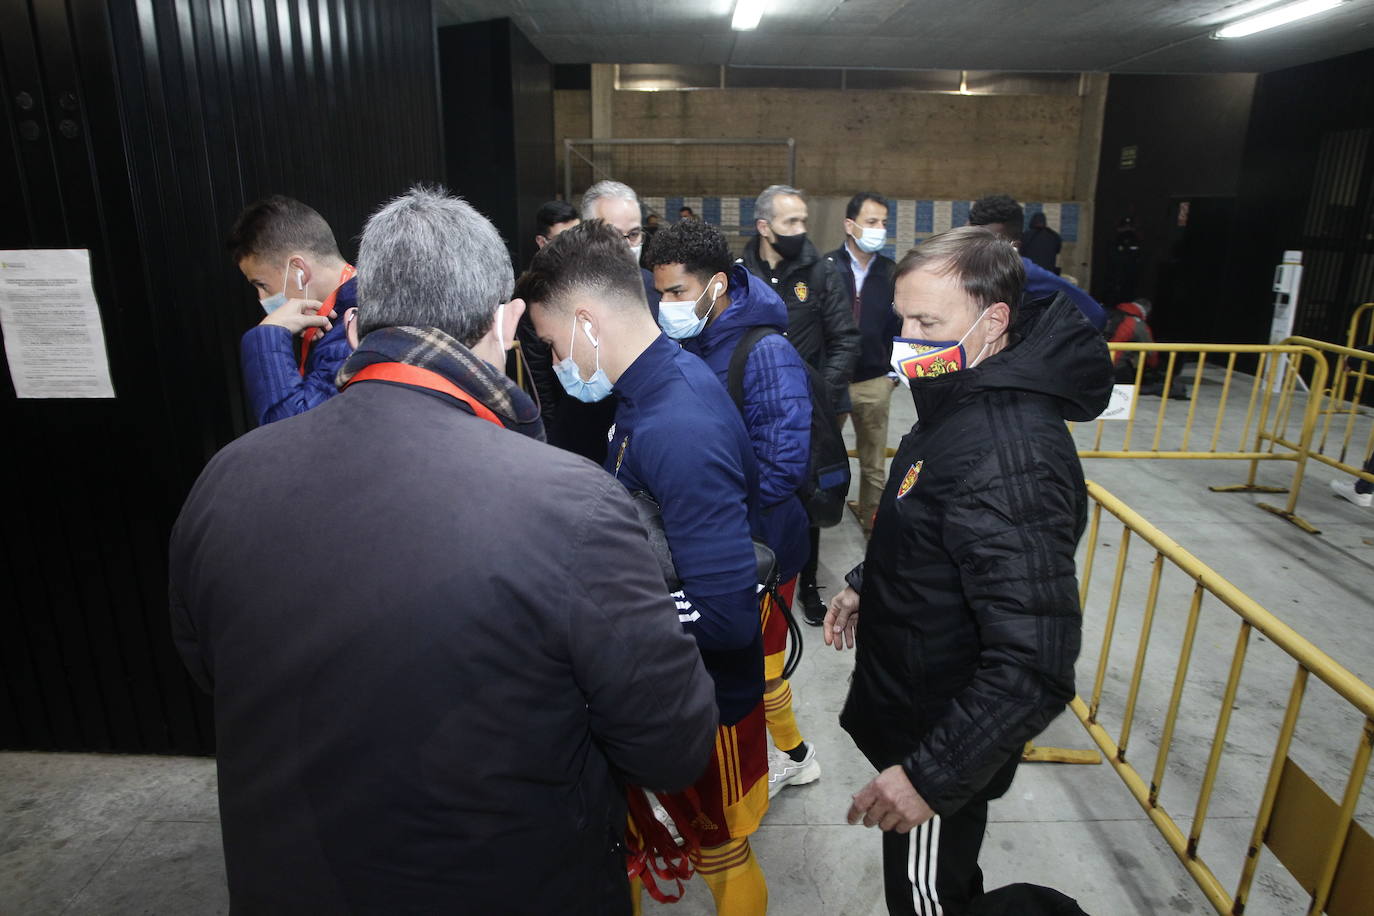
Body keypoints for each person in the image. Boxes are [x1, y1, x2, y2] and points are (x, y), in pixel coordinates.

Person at [170, 187, 718, 914]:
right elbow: (670, 744)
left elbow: (210, 665)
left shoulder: (226, 480)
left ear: (358, 324)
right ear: (509, 320)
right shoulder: (570, 504)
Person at [824, 227, 1112, 916]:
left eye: (928, 322)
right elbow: (935, 522)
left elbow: (1034, 661)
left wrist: (929, 777)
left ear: (995, 321)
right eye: (903, 320)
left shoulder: (1010, 453)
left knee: (929, 903)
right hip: (919, 700)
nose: (908, 338)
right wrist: (874, 581)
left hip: (939, 730)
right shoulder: (958, 396)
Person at [520, 221, 770, 915]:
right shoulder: (649, 392)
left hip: (702, 699)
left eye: (550, 342)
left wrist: (608, 614)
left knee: (720, 854)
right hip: (656, 683)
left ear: (586, 321)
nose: (554, 358)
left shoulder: (677, 425)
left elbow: (723, 613)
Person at [645, 219, 822, 798]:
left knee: (759, 670)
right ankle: (792, 752)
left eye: (676, 292)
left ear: (716, 285)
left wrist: (706, 515)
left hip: (762, 549)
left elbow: (782, 466)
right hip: (725, 547)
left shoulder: (765, 352)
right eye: (660, 292)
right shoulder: (692, 339)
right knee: (751, 670)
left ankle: (776, 766)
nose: (665, 304)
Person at [741, 183, 860, 625]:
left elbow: (845, 339)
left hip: (807, 414)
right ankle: (754, 574)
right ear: (763, 227)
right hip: (752, 410)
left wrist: (818, 394)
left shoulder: (821, 271)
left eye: (803, 221)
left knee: (806, 498)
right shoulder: (739, 274)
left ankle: (805, 583)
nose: (801, 230)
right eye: (791, 222)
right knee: (756, 491)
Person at [227, 195, 358, 426]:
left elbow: (293, 431)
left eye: (262, 285)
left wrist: (268, 334)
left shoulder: (353, 329)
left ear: (299, 270)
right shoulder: (344, 312)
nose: (261, 298)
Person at [827, 192, 901, 538]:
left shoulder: (891, 273)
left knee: (874, 466)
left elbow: (903, 325)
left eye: (884, 223)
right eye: (872, 222)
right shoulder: (826, 269)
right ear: (850, 225)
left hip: (874, 382)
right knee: (824, 455)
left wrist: (892, 374)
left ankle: (872, 525)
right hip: (834, 382)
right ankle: (823, 516)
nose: (879, 229)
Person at [968, 194, 1107, 331]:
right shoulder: (963, 269)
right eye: (972, 240)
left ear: (1014, 244)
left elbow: (1095, 316)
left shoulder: (1024, 272)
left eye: (988, 243)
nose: (978, 249)